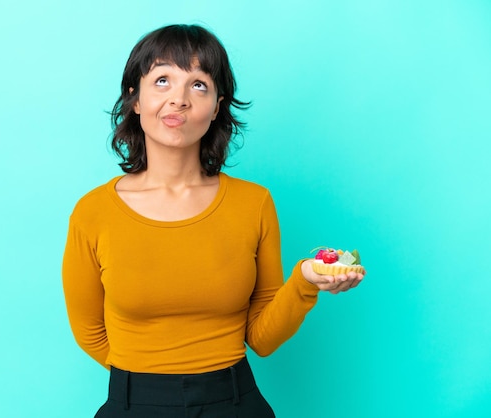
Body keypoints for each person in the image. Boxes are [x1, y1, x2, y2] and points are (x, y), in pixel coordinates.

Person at [62, 24, 365, 418]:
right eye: (163, 80)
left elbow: (262, 338)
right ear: (135, 99)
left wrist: (305, 280)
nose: (179, 100)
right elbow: (89, 333)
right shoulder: (93, 212)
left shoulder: (253, 203)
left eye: (198, 85)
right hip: (134, 403)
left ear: (217, 106)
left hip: (234, 402)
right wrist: (152, 385)